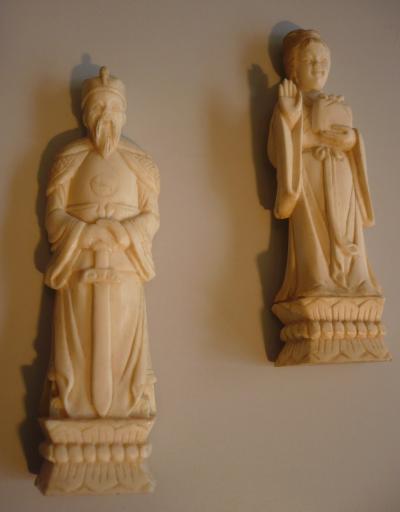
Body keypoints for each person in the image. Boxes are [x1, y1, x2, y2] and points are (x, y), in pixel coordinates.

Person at [44, 67, 159, 418]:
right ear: (85, 114)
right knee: (79, 340)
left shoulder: (140, 162)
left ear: (124, 113)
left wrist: (123, 233)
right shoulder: (69, 158)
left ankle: (129, 405)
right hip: (79, 264)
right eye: (98, 107)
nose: (106, 116)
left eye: (113, 108)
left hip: (125, 266)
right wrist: (83, 233)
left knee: (122, 338)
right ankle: (71, 404)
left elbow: (151, 217)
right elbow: (53, 216)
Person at [268, 29, 381, 303]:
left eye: (323, 61)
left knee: (346, 224)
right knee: (313, 230)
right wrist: (290, 118)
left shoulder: (336, 104)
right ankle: (316, 279)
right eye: (309, 61)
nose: (318, 67)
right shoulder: (291, 103)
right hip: (308, 176)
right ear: (294, 69)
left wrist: (352, 139)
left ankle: (355, 281)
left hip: (342, 174)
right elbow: (276, 152)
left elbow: (352, 142)